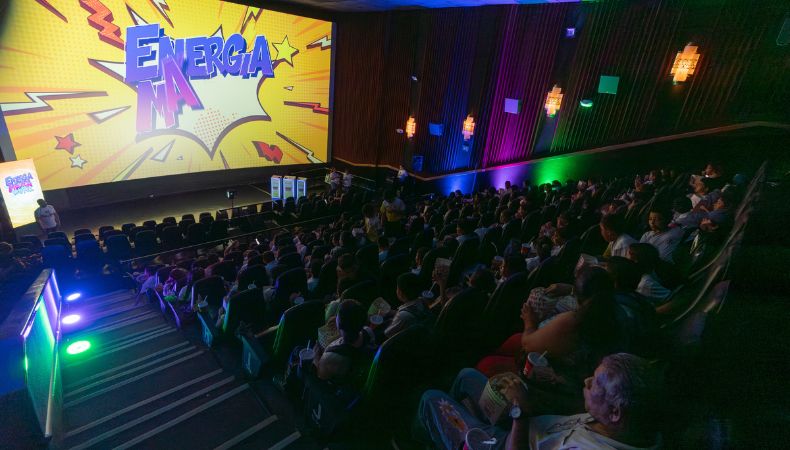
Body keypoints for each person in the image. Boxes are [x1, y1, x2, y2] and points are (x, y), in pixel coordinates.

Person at [415, 353, 664, 450]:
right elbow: (574, 413)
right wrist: (552, 384)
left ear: (615, 412)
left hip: (508, 442)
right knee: (467, 375)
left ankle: (424, 436)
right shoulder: (624, 424)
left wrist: (520, 413)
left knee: (430, 399)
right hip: (524, 427)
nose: (587, 381)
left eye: (596, 383)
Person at [384, 272, 430, 339]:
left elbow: (387, 333)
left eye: (397, 288)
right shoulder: (422, 301)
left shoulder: (402, 316)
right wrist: (393, 312)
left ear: (400, 293)